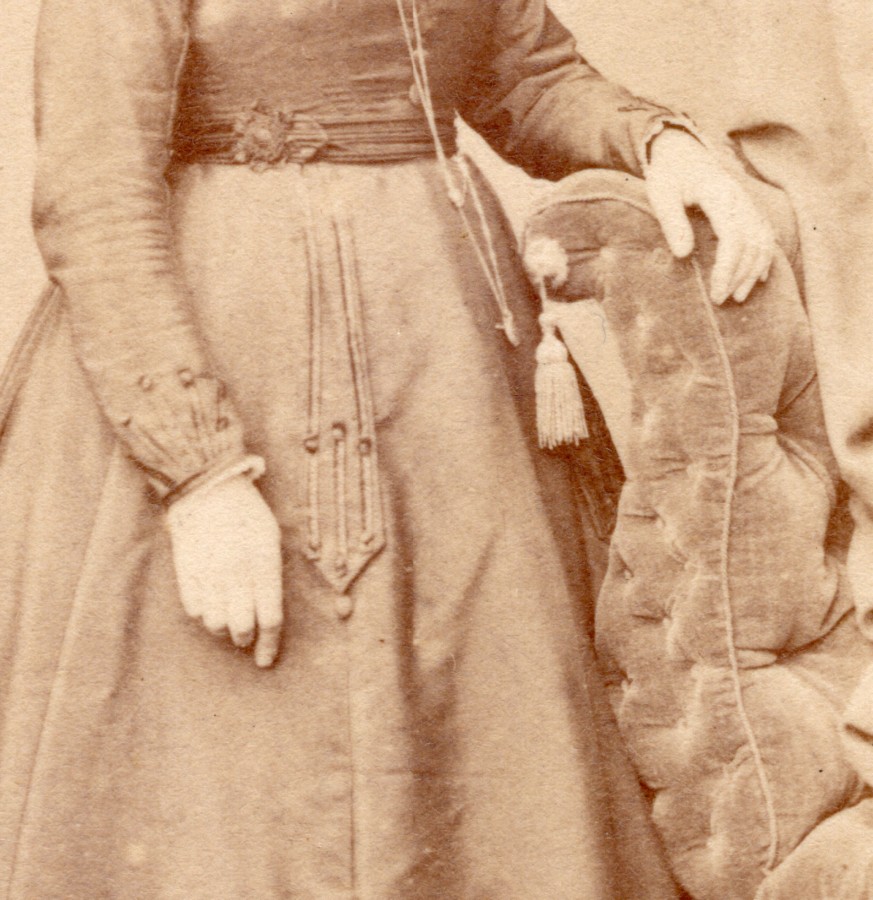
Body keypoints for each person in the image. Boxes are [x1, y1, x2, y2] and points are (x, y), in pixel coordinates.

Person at [0, 0, 773, 896]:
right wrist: (199, 476)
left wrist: (658, 145)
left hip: (448, 367)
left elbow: (526, 77)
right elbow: (94, 194)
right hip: (221, 346)